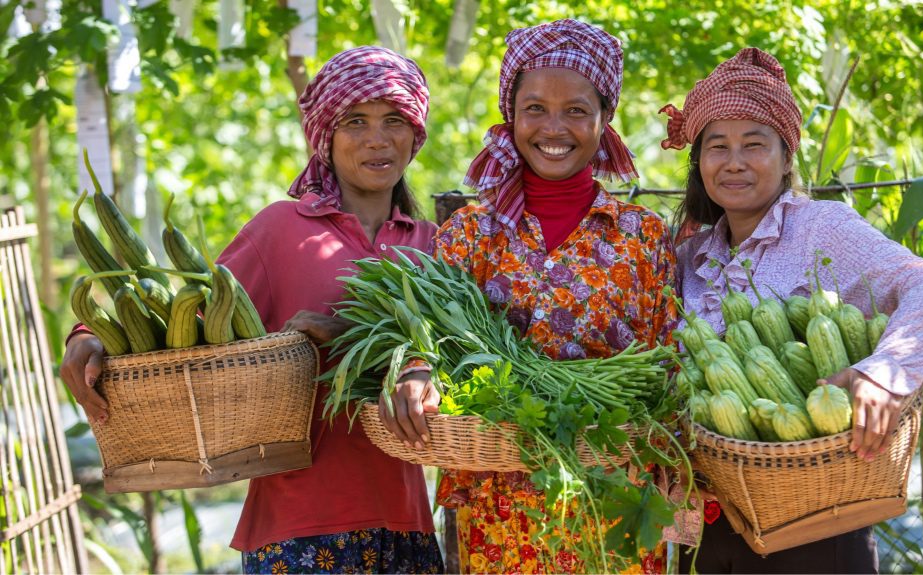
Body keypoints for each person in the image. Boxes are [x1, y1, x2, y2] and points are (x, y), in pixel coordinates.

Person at [58, 46, 444, 574]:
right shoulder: (280, 231)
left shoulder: (434, 246)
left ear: (415, 135)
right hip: (296, 525)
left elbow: (459, 361)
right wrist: (87, 333)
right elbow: (186, 322)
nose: (378, 139)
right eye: (356, 121)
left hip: (408, 526)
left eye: (395, 121)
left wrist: (353, 335)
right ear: (325, 137)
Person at [380, 18, 678, 575]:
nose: (554, 127)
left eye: (576, 110)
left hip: (613, 502)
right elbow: (426, 336)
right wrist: (416, 368)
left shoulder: (642, 236)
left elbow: (669, 364)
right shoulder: (471, 232)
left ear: (605, 119)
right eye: (535, 108)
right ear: (511, 115)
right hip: (499, 511)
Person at [661, 47, 923, 573]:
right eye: (717, 147)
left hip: (816, 521)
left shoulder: (821, 228)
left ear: (786, 158)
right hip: (710, 522)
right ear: (699, 163)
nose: (734, 161)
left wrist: (885, 373)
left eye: (754, 144)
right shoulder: (690, 257)